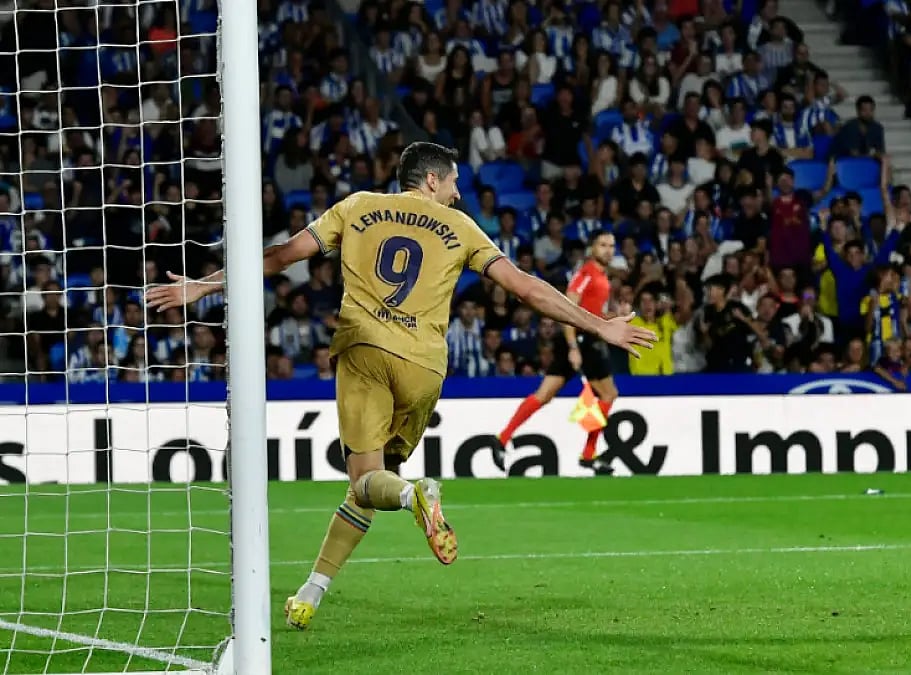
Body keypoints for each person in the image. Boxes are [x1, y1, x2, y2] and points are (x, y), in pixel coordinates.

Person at [144, 142, 655, 630]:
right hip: (426, 367)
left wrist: (202, 286)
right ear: (431, 180)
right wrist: (599, 324)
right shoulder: (462, 226)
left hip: (365, 349)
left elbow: (280, 256)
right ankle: (312, 592)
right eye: (453, 183)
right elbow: (524, 286)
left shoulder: (357, 206)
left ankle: (415, 496)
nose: (457, 194)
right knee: (369, 486)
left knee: (371, 481)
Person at [497, 228, 623, 472]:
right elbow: (567, 309)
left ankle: (502, 438)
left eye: (611, 245)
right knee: (608, 395)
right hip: (583, 341)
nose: (609, 250)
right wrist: (573, 346)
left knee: (544, 395)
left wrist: (612, 317)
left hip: (581, 339)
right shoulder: (586, 274)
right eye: (603, 245)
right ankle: (588, 453)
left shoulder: (600, 276)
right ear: (592, 248)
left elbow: (591, 312)